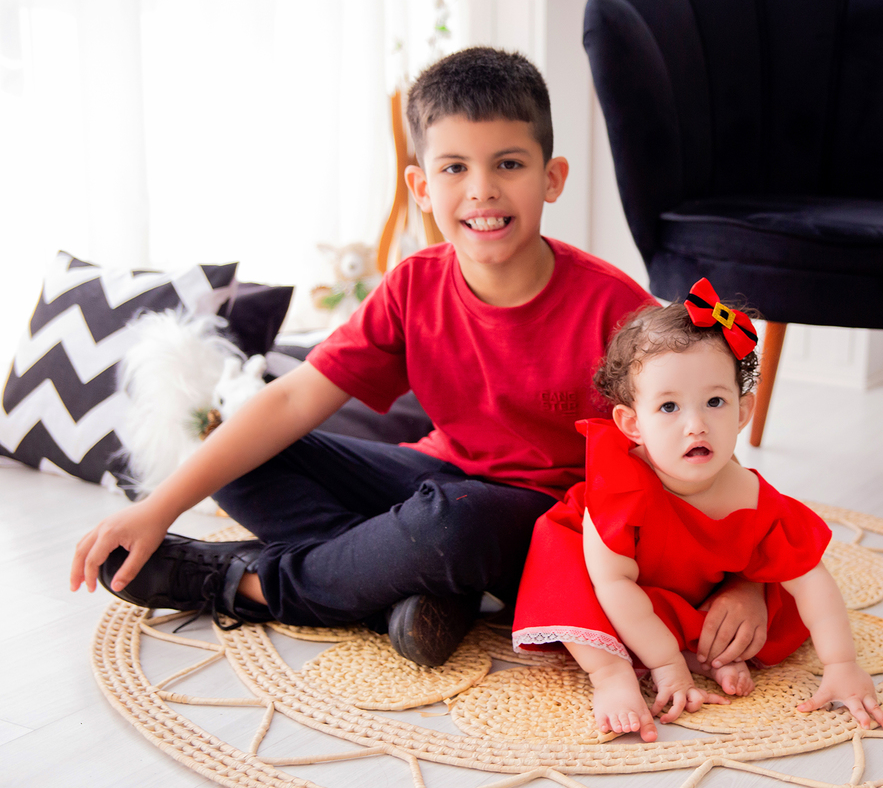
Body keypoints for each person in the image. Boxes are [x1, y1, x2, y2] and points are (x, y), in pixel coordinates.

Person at [69, 47, 769, 671]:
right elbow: (290, 398)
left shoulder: (619, 312)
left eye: (509, 165)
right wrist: (156, 509)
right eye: (455, 168)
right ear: (421, 188)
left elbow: (703, 444)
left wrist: (748, 582)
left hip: (552, 523)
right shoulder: (414, 283)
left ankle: (244, 583)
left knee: (451, 522)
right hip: (436, 475)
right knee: (238, 446)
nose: (481, 191)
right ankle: (395, 592)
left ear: (551, 178)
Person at [512, 280, 883, 741]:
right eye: (669, 407)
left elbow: (814, 582)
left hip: (679, 592)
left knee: (777, 601)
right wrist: (667, 666)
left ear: (742, 411)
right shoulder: (619, 486)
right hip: (611, 582)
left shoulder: (756, 501)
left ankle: (703, 652)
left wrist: (842, 664)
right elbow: (614, 585)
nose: (696, 425)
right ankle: (613, 674)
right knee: (558, 555)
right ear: (633, 424)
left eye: (715, 402)